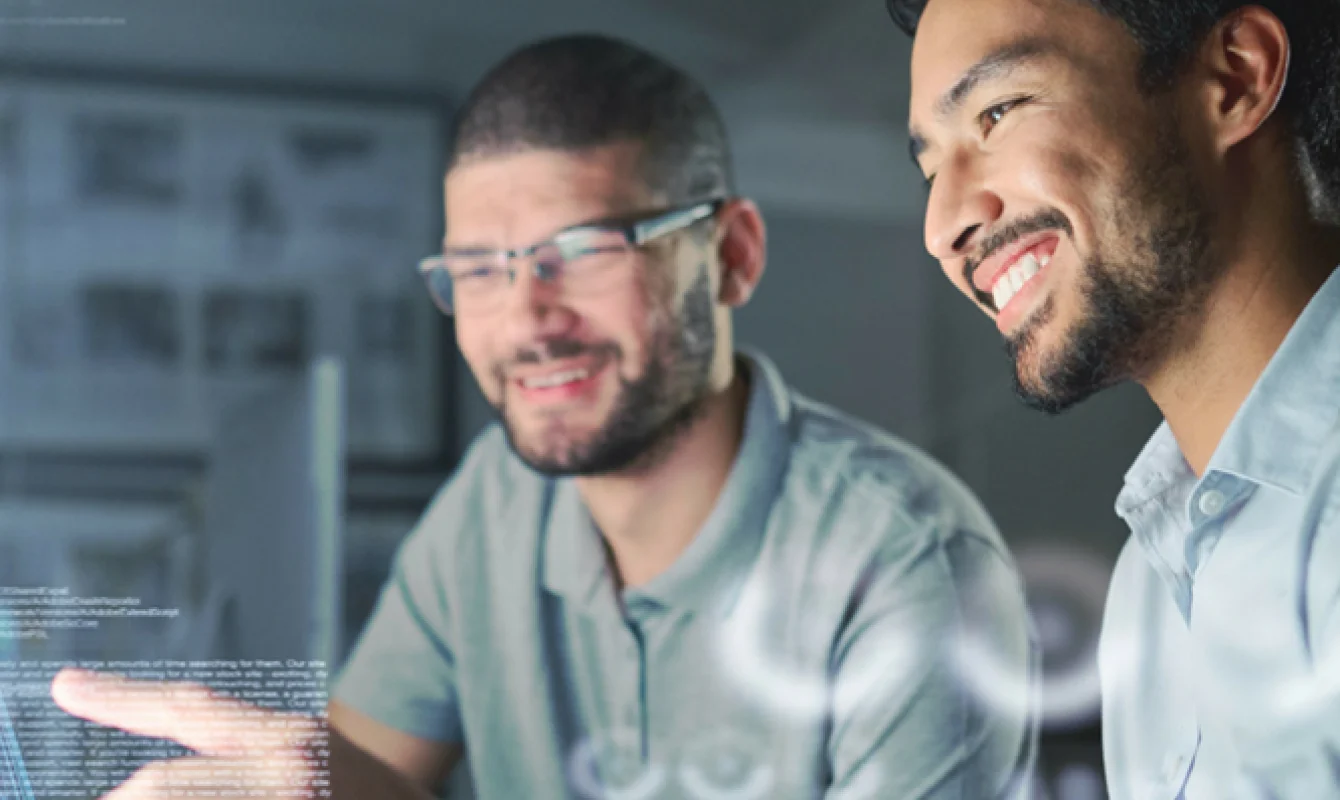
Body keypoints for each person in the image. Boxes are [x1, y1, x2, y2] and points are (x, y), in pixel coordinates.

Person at [52, 33, 1037, 799]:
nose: (526, 317)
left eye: (586, 249)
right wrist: (288, 767)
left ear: (730, 254)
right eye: (477, 269)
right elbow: (365, 773)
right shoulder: (494, 501)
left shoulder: (910, 569)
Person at [887, 0, 1340, 796]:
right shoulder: (1148, 587)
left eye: (997, 112)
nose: (943, 224)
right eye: (931, 170)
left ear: (1233, 79)